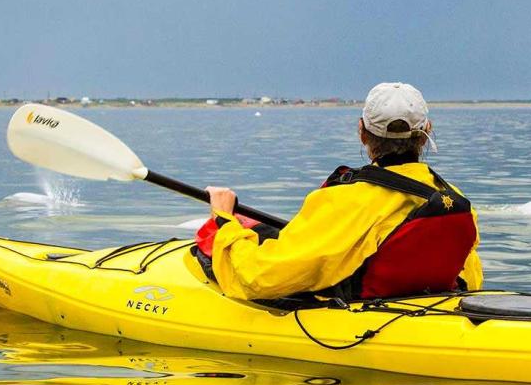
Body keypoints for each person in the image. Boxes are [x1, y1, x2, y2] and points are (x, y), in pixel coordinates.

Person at [198, 82, 482, 302]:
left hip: (361, 310)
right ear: (426, 132)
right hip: (428, 302)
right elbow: (472, 277)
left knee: (219, 242)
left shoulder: (344, 200)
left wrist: (224, 220)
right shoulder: (450, 198)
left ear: (362, 132)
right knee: (260, 228)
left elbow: (259, 278)